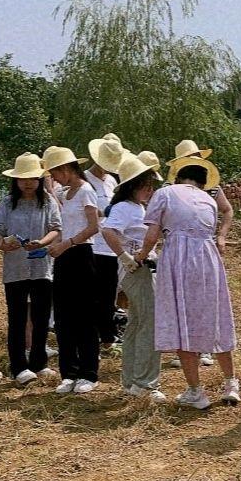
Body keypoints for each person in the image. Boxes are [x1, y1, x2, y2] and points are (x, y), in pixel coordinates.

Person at [138, 156, 239, 409]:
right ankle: (231, 383)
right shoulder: (208, 199)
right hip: (208, 259)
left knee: (181, 318)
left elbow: (152, 234)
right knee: (215, 316)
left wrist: (138, 258)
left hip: (178, 259)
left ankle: (196, 391)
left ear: (177, 177)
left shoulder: (165, 193)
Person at [0, 153, 62, 385]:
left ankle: (39, 362)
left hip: (42, 268)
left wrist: (42, 242)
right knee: (18, 318)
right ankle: (18, 365)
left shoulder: (49, 202)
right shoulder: (7, 202)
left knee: (41, 318)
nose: (28, 183)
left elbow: (56, 229)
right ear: (16, 180)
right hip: (16, 268)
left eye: (32, 178)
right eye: (23, 179)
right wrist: (3, 244)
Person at [102, 155, 164, 400]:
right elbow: (107, 230)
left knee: (137, 324)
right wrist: (125, 256)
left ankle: (131, 381)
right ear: (132, 185)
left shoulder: (137, 207)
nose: (150, 189)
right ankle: (145, 383)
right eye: (145, 185)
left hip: (139, 268)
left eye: (151, 185)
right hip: (138, 270)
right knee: (150, 324)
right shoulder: (124, 208)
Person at [44, 146, 101, 394]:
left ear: (65, 169)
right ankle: (69, 371)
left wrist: (67, 243)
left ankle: (89, 372)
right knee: (65, 317)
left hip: (81, 255)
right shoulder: (64, 193)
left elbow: (93, 226)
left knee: (84, 317)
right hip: (64, 256)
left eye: (55, 172)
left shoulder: (86, 191)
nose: (54, 178)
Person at [85, 134, 125, 347]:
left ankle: (107, 336)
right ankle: (93, 337)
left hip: (111, 245)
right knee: (93, 294)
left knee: (110, 292)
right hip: (92, 244)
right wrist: (102, 212)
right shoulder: (84, 181)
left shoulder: (111, 181)